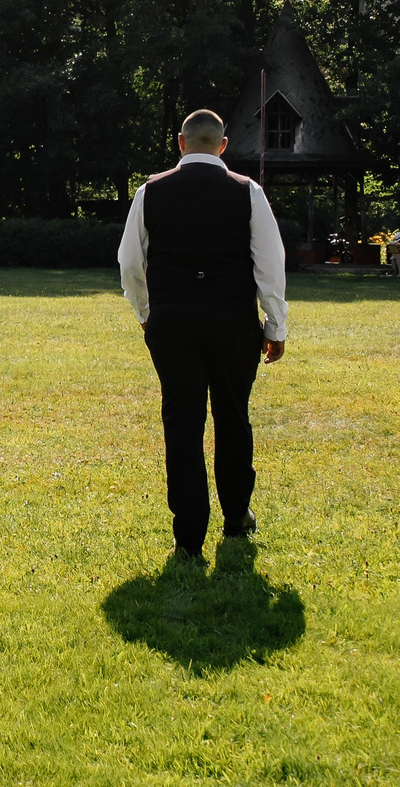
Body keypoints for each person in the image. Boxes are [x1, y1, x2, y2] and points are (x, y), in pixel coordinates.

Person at [116, 108, 289, 560]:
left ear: (180, 142)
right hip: (233, 320)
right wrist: (275, 325)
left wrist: (146, 312)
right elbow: (270, 266)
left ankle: (188, 537)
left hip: (173, 321)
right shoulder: (247, 191)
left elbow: (129, 263)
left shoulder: (150, 191)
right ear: (223, 146)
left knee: (182, 423)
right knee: (233, 417)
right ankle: (237, 514)